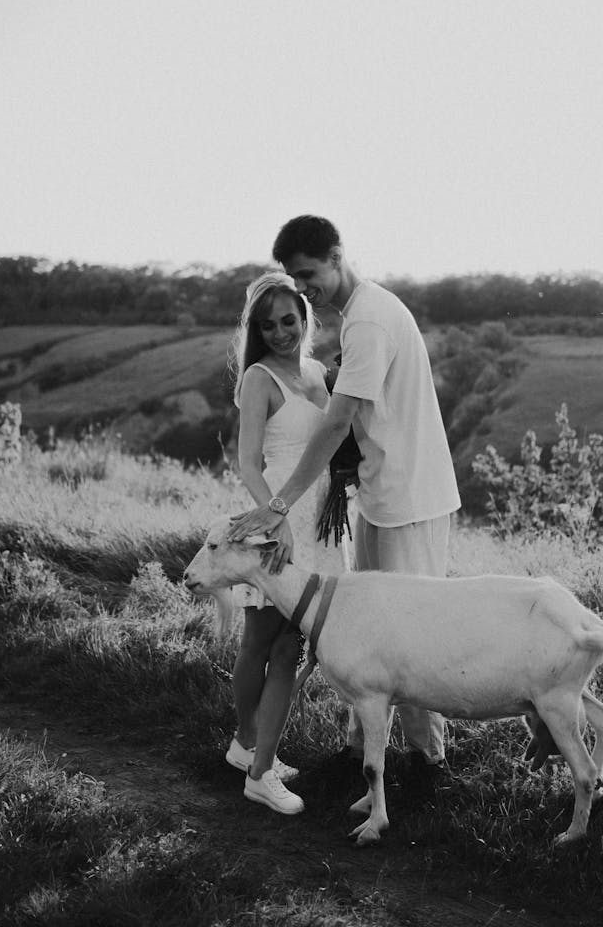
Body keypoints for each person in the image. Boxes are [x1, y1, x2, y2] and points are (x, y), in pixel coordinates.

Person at [228, 215, 461, 790]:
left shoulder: (370, 323)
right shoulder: (358, 319)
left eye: (308, 276)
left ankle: (425, 761)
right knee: (363, 627)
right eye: (293, 279)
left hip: (409, 497)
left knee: (407, 632)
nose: (305, 289)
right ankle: (363, 747)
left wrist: (279, 505)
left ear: (337, 255)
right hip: (381, 498)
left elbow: (336, 425)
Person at [226, 271, 348, 815]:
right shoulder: (258, 377)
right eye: (268, 324)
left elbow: (335, 439)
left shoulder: (319, 372)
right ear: (257, 329)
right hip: (276, 512)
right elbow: (248, 463)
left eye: (289, 320)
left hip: (318, 516)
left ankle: (249, 748)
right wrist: (275, 519)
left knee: (287, 644)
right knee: (266, 641)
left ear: (305, 318)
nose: (280, 332)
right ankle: (256, 762)